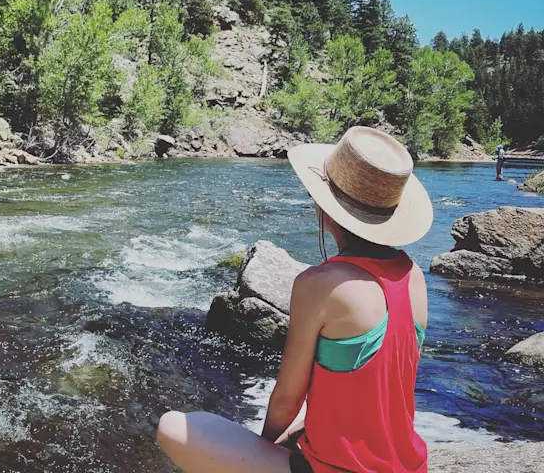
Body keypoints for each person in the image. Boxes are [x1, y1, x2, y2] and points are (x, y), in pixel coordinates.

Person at [156, 126, 433, 473]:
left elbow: (288, 398)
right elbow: (380, 385)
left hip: (338, 469)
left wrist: (263, 447)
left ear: (327, 208)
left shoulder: (319, 284)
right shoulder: (415, 276)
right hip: (408, 466)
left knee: (172, 426)